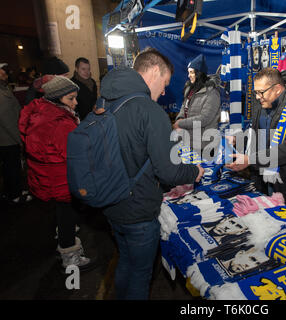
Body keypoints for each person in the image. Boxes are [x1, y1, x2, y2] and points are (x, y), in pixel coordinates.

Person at [100, 47, 204, 300]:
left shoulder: (105, 100)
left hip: (111, 202)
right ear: (155, 71)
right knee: (140, 274)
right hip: (138, 209)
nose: (165, 91)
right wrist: (195, 171)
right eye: (166, 82)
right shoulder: (149, 110)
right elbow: (168, 171)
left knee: (126, 262)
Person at [226, 67, 286, 223]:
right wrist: (239, 139)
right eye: (256, 92)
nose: (257, 97)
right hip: (267, 180)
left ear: (278, 89)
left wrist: (250, 159)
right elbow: (258, 133)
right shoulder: (264, 101)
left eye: (261, 92)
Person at [19, 75, 94, 271]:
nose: (75, 102)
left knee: (61, 216)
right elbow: (75, 154)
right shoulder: (60, 122)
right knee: (67, 216)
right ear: (56, 98)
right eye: (71, 98)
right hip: (61, 180)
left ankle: (62, 236)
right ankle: (71, 258)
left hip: (45, 176)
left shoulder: (39, 111)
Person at [173, 54, 221, 157]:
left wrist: (181, 123)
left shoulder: (212, 93)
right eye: (188, 72)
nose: (188, 75)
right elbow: (183, 108)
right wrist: (179, 119)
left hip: (205, 146)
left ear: (199, 73)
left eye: (191, 72)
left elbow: (204, 119)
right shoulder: (190, 90)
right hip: (189, 142)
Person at [0, 63, 31, 204]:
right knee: (12, 167)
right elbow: (6, 119)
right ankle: (14, 195)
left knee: (11, 166)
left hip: (9, 136)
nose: (5, 75)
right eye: (2, 72)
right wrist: (19, 139)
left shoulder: (4, 88)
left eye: (6, 72)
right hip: (7, 138)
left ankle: (14, 190)